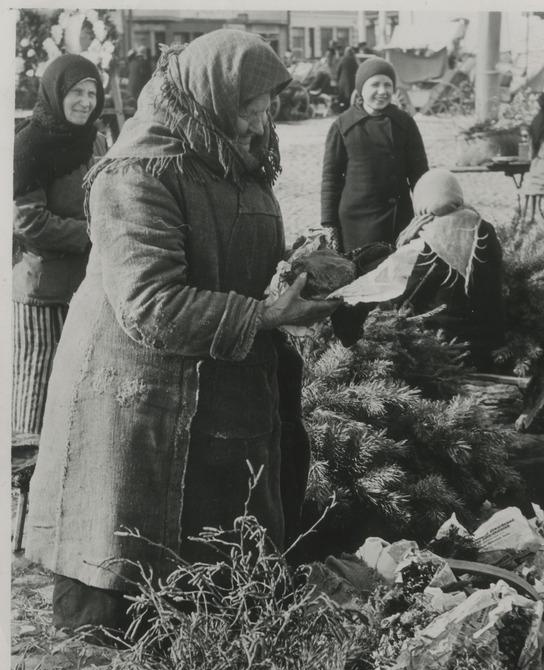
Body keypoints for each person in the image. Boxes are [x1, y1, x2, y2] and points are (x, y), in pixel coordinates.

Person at [26, 30, 340, 633]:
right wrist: (265, 315)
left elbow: (234, 246)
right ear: (213, 94)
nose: (261, 119)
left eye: (267, 104)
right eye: (251, 104)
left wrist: (297, 269)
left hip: (218, 374)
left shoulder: (231, 154)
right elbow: (150, 303)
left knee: (208, 562)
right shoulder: (138, 171)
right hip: (137, 387)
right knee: (133, 559)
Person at [12, 54, 106, 441]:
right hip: (43, 292)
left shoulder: (97, 140)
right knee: (36, 398)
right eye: (75, 92)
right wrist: (96, 232)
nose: (85, 101)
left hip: (86, 290)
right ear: (55, 93)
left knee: (80, 395)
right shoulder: (29, 143)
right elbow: (27, 220)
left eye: (91, 92)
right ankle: (23, 491)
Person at [395, 168, 504, 370]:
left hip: (444, 347)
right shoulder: (483, 227)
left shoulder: (430, 239)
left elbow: (403, 298)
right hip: (487, 343)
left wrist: (402, 248)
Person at [321, 56, 428, 254]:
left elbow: (419, 173)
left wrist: (427, 210)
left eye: (388, 85)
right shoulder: (343, 126)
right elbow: (331, 178)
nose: (382, 91)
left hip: (399, 220)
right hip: (357, 224)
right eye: (375, 85)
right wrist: (329, 223)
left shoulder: (404, 123)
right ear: (361, 88)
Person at [335, 46, 358, 111]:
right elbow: (357, 70)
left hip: (342, 81)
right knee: (350, 96)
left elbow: (338, 70)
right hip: (351, 81)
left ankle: (341, 108)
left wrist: (337, 79)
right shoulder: (354, 60)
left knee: (342, 96)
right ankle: (348, 109)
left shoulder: (343, 59)